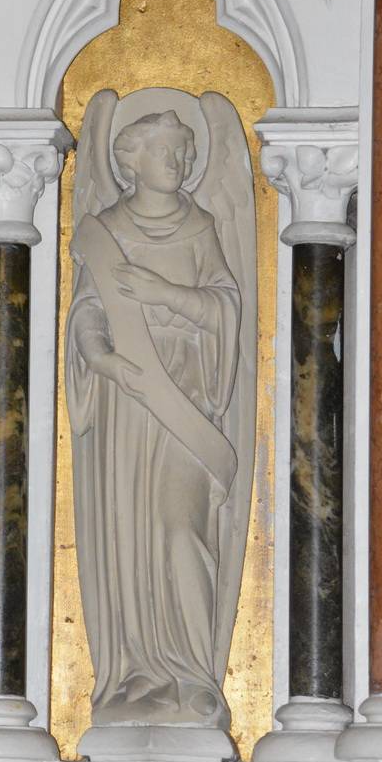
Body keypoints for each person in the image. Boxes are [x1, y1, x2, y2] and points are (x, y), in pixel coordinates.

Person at [66, 109, 241, 729]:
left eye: (184, 152)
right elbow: (87, 310)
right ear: (130, 160)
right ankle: (137, 672)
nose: (178, 162)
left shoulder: (200, 227)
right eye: (165, 150)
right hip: (127, 398)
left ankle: (192, 671)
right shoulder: (107, 231)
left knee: (178, 528)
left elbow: (225, 306)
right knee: (129, 535)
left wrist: (164, 294)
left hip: (183, 392)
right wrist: (100, 358)